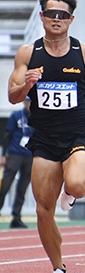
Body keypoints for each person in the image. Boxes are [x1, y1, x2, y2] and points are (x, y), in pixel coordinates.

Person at [7, 0, 85, 273]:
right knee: (43, 211)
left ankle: (70, 194)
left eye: (62, 15)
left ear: (71, 19)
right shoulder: (27, 53)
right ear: (42, 16)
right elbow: (12, 95)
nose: (56, 19)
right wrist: (27, 85)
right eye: (50, 14)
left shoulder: (84, 52)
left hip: (78, 131)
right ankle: (59, 269)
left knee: (76, 185)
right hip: (45, 136)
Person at [0, 97, 34, 228]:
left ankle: (16, 216)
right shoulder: (16, 115)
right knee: (5, 184)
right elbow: (7, 136)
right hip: (15, 153)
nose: (28, 104)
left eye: (30, 102)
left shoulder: (37, 117)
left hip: (29, 154)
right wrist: (4, 155)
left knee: (22, 188)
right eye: (27, 101)